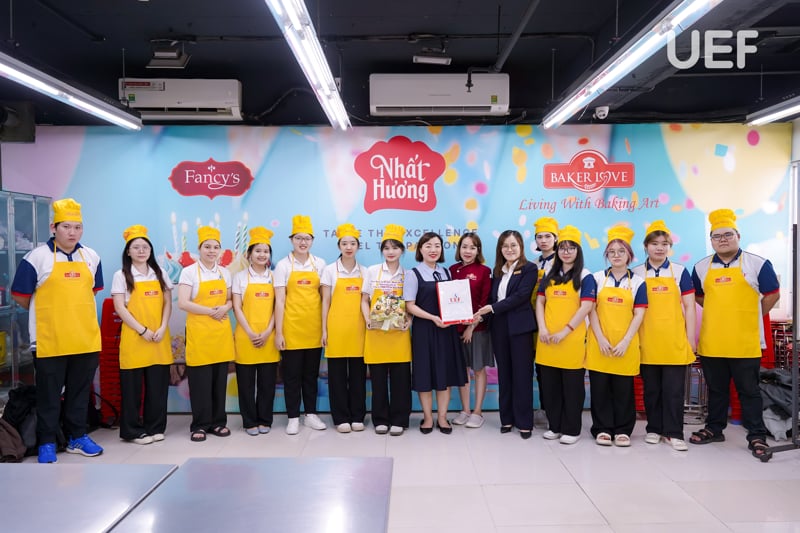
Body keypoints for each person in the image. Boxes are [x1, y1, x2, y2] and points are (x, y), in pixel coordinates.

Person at [11, 198, 104, 463]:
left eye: (77, 227)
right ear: (54, 227)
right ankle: (47, 442)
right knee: (49, 395)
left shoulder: (91, 257)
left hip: (85, 338)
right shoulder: (36, 257)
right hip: (49, 339)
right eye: (66, 227)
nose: (72, 232)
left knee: (79, 393)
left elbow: (93, 290)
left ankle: (77, 437)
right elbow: (20, 295)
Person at [690, 209, 779, 459]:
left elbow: (773, 294)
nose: (723, 240)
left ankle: (757, 435)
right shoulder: (701, 266)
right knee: (716, 390)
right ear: (711, 240)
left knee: (749, 391)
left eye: (728, 234)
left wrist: (751, 316)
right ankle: (714, 428)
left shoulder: (757, 263)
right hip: (713, 340)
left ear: (738, 235)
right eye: (716, 236)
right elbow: (698, 296)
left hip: (745, 341)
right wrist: (720, 312)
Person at [631, 220, 696, 452]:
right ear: (646, 246)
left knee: (674, 391)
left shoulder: (679, 271)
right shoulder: (636, 273)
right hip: (647, 340)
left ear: (669, 246)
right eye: (654, 243)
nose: (660, 248)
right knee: (651, 389)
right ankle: (654, 429)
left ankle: (674, 433)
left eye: (664, 244)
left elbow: (689, 307)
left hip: (674, 340)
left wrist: (690, 340)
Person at [586, 226, 647, 447]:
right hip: (599, 342)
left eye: (621, 251)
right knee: (600, 388)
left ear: (629, 255)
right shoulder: (596, 278)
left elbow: (639, 314)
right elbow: (591, 310)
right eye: (611, 251)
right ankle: (602, 428)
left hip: (625, 343)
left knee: (623, 389)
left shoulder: (638, 282)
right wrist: (601, 338)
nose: (616, 255)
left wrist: (625, 341)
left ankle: (622, 430)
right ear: (606, 255)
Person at [111, 225, 173, 445]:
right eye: (136, 247)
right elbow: (120, 307)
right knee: (132, 389)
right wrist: (142, 330)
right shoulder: (121, 275)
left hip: (158, 336)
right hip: (135, 337)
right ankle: (132, 431)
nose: (141, 251)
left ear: (150, 250)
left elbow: (167, 303)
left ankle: (155, 427)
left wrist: (163, 327)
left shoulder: (160, 272)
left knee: (157, 387)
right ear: (128, 251)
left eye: (145, 247)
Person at [535, 225, 595, 445]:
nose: (566, 252)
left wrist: (565, 331)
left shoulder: (586, 276)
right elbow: (540, 302)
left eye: (571, 248)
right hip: (547, 339)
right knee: (550, 386)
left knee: (572, 388)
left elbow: (586, 307)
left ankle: (572, 429)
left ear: (578, 251)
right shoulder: (550, 275)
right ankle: (555, 426)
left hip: (572, 339)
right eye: (562, 248)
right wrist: (543, 328)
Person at [475, 230, 538, 439]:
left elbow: (521, 296)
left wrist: (492, 308)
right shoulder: (498, 271)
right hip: (499, 328)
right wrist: (477, 314)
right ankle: (507, 419)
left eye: (513, 245)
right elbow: (491, 298)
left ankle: (524, 422)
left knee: (522, 375)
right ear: (500, 249)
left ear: (521, 247)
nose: (509, 249)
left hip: (520, 328)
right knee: (505, 374)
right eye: (505, 246)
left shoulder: (529, 269)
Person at [405, 232, 467, 435]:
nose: (433, 250)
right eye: (428, 246)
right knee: (425, 374)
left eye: (437, 246)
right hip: (424, 330)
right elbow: (410, 306)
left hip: (446, 331)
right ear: (420, 249)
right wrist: (432, 318)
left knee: (444, 374)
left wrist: (461, 315)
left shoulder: (446, 272)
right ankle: (427, 417)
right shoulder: (413, 274)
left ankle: (442, 417)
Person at [177, 226, 235, 442]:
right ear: (199, 248)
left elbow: (230, 299)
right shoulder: (189, 272)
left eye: (215, 247)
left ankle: (218, 422)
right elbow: (183, 303)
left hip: (220, 331)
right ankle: (200, 425)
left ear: (220, 250)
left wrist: (225, 307)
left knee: (219, 380)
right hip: (199, 332)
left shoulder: (224, 272)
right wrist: (211, 311)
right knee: (200, 381)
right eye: (207, 247)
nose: (212, 251)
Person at [274, 215, 328, 434]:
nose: (302, 242)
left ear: (312, 241)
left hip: (314, 328)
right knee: (292, 376)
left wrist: (324, 329)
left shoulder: (320, 264)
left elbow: (324, 299)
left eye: (307, 238)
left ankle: (311, 415)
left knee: (311, 375)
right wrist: (279, 332)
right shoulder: (283, 265)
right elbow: (279, 301)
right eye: (298, 238)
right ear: (291, 240)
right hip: (291, 328)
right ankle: (293, 417)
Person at [361, 224, 412, 436]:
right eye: (386, 248)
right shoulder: (372, 271)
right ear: (382, 250)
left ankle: (400, 419)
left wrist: (409, 320)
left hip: (399, 333)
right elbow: (364, 300)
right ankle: (380, 419)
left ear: (402, 250)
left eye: (395, 247)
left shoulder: (408, 275)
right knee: (379, 380)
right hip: (376, 333)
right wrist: (368, 320)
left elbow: (411, 304)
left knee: (401, 380)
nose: (390, 252)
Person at [232, 227, 280, 436]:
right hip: (246, 336)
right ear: (249, 254)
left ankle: (265, 419)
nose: (262, 255)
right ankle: (249, 421)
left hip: (269, 335)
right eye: (258, 251)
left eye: (266, 251)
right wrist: (250, 332)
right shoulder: (239, 277)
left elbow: (278, 307)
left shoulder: (275, 277)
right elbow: (237, 307)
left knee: (267, 384)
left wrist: (269, 330)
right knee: (246, 384)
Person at [321, 223, 367, 433]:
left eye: (352, 243)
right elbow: (325, 302)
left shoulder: (365, 271)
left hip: (359, 329)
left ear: (358, 246)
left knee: (358, 375)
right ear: (339, 246)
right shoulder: (330, 270)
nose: (349, 247)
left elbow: (366, 301)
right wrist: (324, 330)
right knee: (337, 377)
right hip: (336, 328)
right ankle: (340, 418)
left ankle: (357, 415)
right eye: (344, 243)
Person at [449, 232, 492, 429]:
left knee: (478, 369)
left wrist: (471, 327)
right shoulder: (452, 270)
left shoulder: (484, 271)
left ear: (478, 250)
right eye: (464, 247)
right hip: (455, 329)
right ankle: (465, 410)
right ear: (459, 249)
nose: (468, 251)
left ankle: (477, 412)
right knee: (462, 370)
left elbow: (485, 302)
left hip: (478, 329)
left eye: (472, 248)